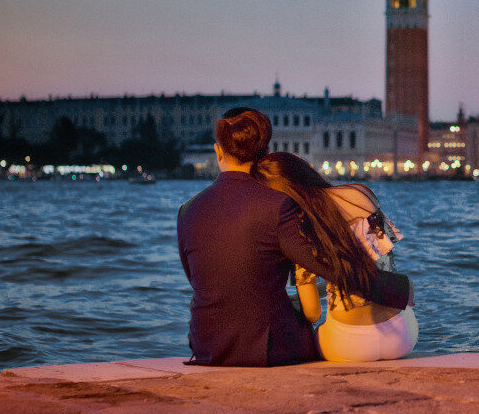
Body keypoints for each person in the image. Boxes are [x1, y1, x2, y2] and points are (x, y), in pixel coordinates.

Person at [176, 108, 412, 367]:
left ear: (218, 151)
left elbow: (198, 281)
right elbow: (335, 268)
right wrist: (398, 288)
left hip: (206, 346)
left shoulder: (187, 211)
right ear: (264, 152)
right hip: (272, 348)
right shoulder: (285, 206)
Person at [256, 152, 418, 362]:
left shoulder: (299, 228)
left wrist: (290, 301)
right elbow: (378, 272)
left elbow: (312, 312)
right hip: (400, 336)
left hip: (347, 344)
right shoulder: (360, 194)